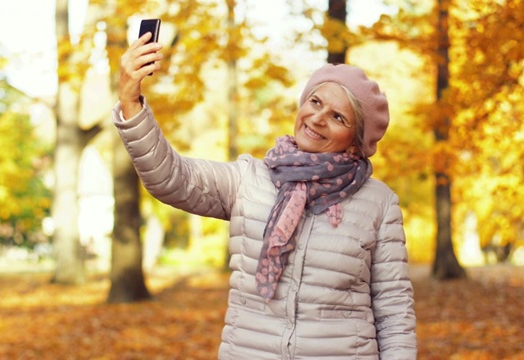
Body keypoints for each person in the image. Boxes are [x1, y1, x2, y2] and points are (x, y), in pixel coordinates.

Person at [113, 32, 417, 360]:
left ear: (356, 142)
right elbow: (171, 178)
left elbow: (394, 312)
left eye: (338, 117)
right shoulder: (250, 180)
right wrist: (131, 103)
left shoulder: (378, 203)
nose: (318, 118)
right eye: (315, 102)